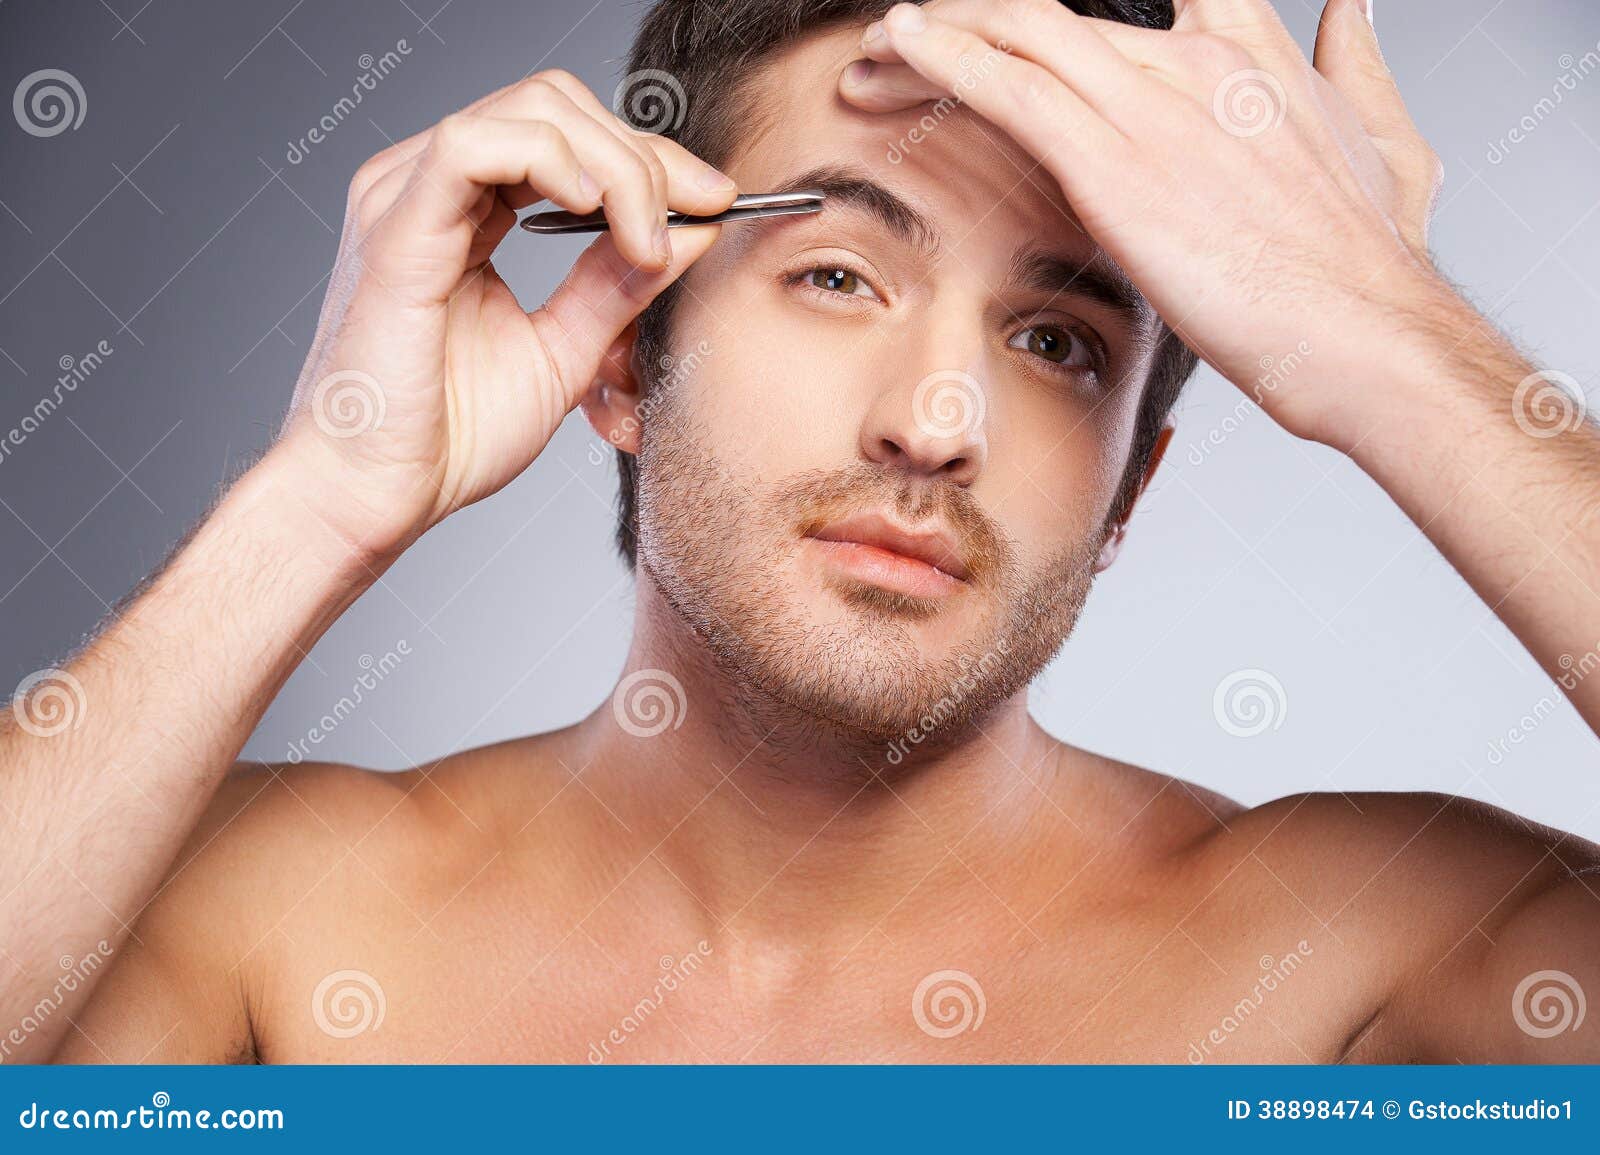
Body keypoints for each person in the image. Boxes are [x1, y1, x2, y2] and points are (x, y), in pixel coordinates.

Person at [4, 0, 1597, 1064]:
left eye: (1059, 341)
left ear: (1133, 493)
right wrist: (321, 497)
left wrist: (1396, 347)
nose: (937, 421)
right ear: (625, 351)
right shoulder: (269, 918)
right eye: (838, 273)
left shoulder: (1368, 961)